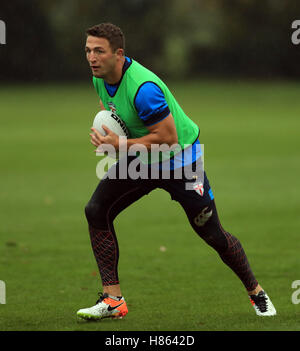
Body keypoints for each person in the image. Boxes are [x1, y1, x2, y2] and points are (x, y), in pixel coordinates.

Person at [76, 22, 276, 320]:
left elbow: (168, 138)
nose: (92, 57)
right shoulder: (100, 78)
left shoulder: (145, 89)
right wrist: (114, 139)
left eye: (99, 51)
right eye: (88, 50)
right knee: (96, 210)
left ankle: (256, 292)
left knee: (213, 234)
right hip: (143, 159)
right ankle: (113, 300)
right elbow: (120, 118)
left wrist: (119, 144)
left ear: (118, 54)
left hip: (181, 162)